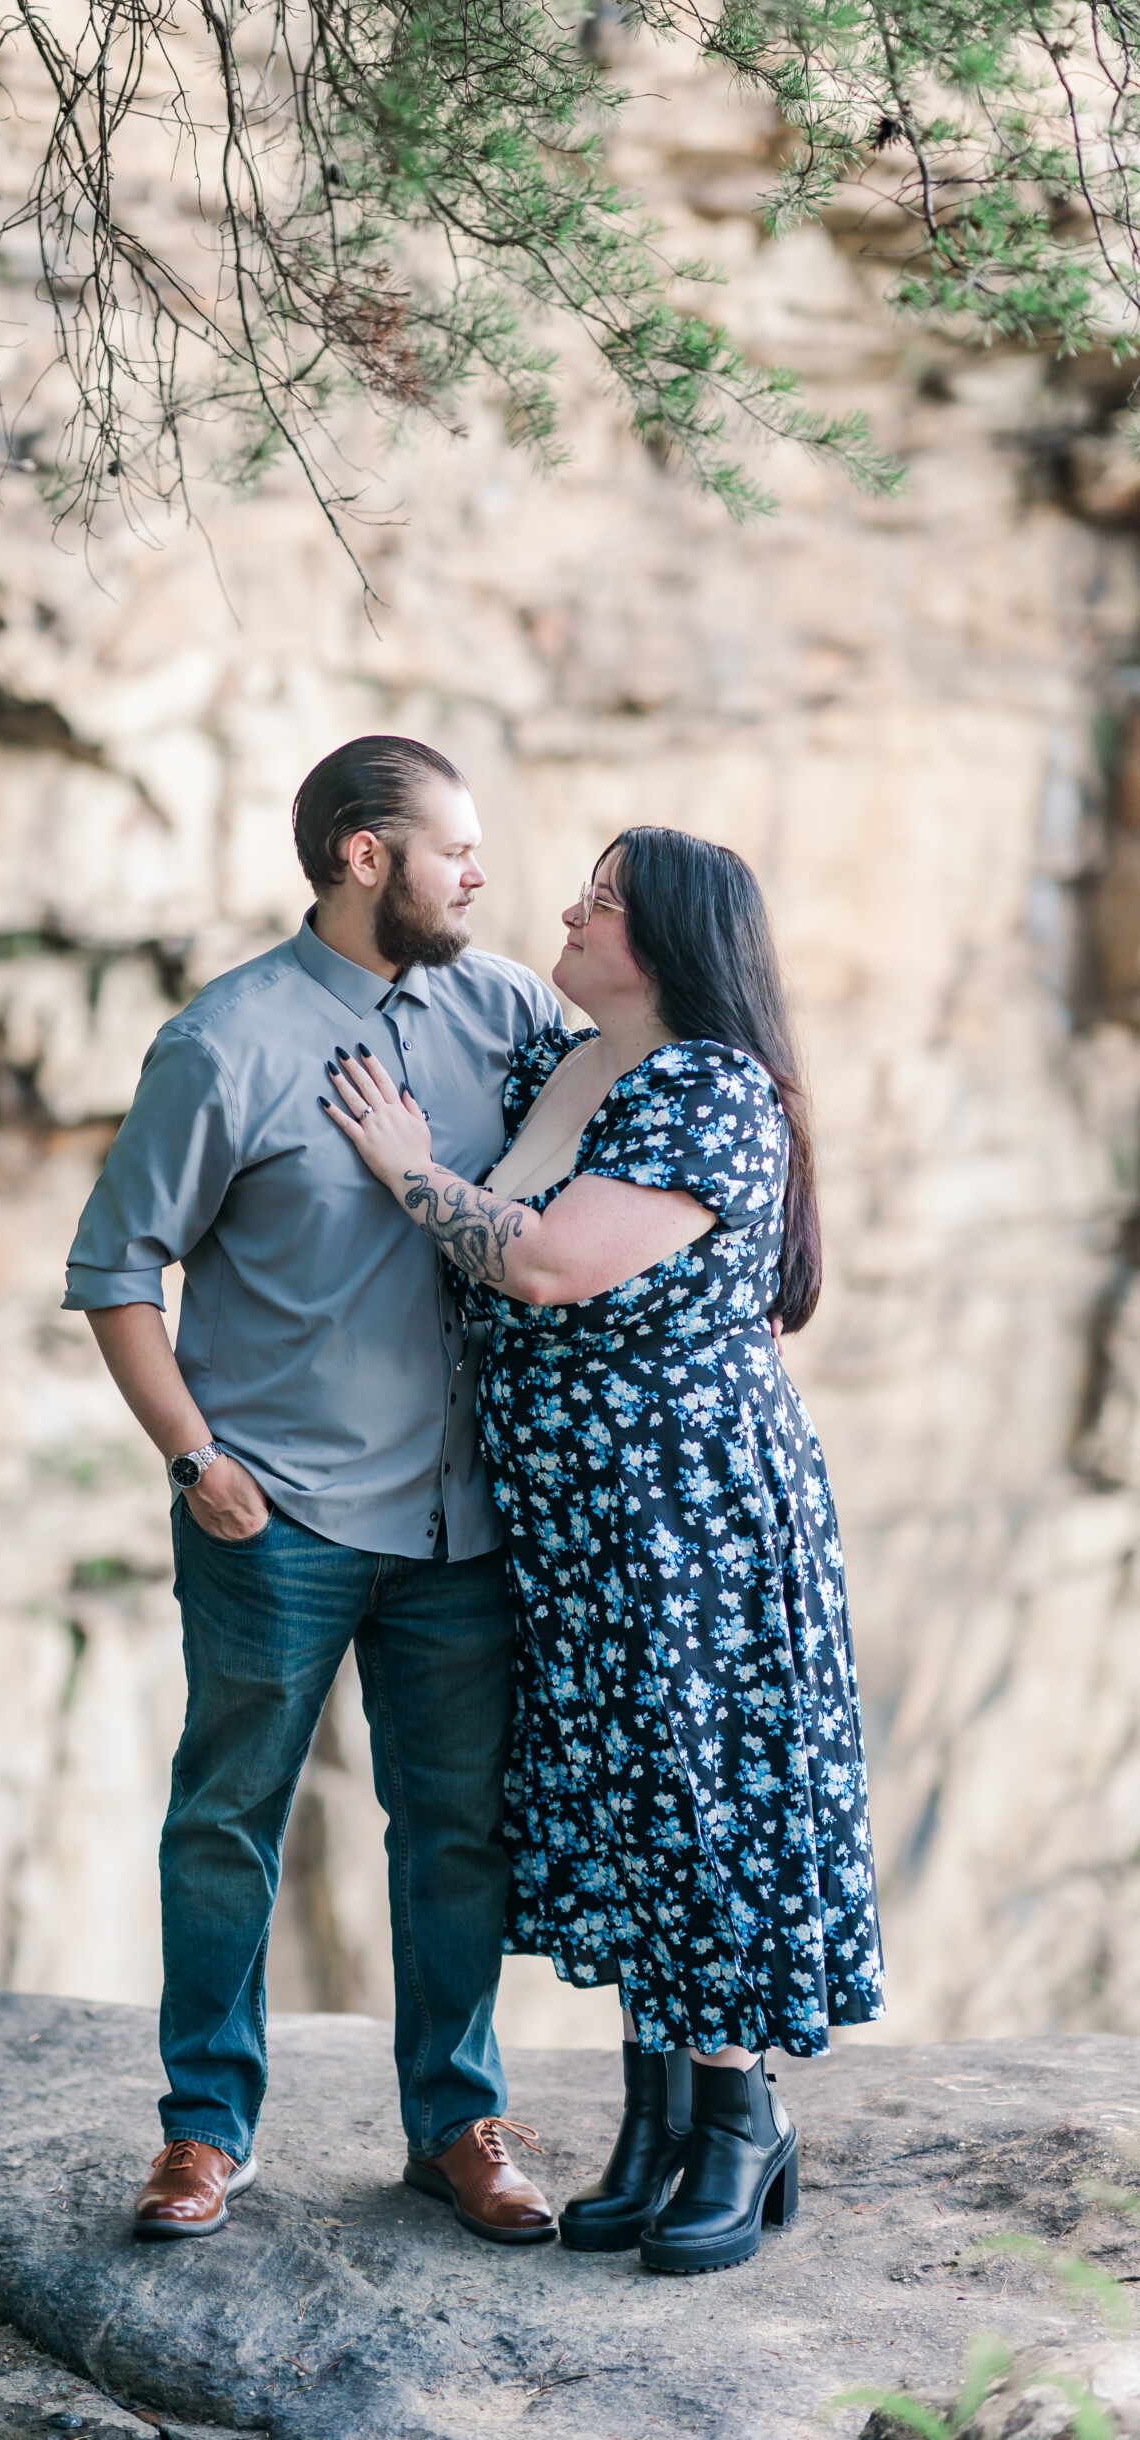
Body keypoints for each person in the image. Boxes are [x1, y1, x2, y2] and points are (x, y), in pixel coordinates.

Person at [321, 824, 884, 2276]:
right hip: (577, 1522)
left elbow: (550, 1262)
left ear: (677, 944)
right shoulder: (559, 1064)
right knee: (618, 1794)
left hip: (687, 1513)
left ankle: (738, 2119)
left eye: (607, 900)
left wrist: (399, 1166)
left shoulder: (711, 1088)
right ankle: (657, 2124)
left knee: (697, 1797)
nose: (571, 910)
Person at [64, 735, 564, 2244]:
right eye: (454, 848)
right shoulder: (226, 1043)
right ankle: (205, 2134)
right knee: (229, 1817)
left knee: (457, 1828)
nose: (480, 874)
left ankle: (458, 2124)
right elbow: (112, 1269)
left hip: (462, 1523)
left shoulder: (514, 1015)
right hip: (271, 1518)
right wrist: (197, 1460)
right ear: (364, 855)